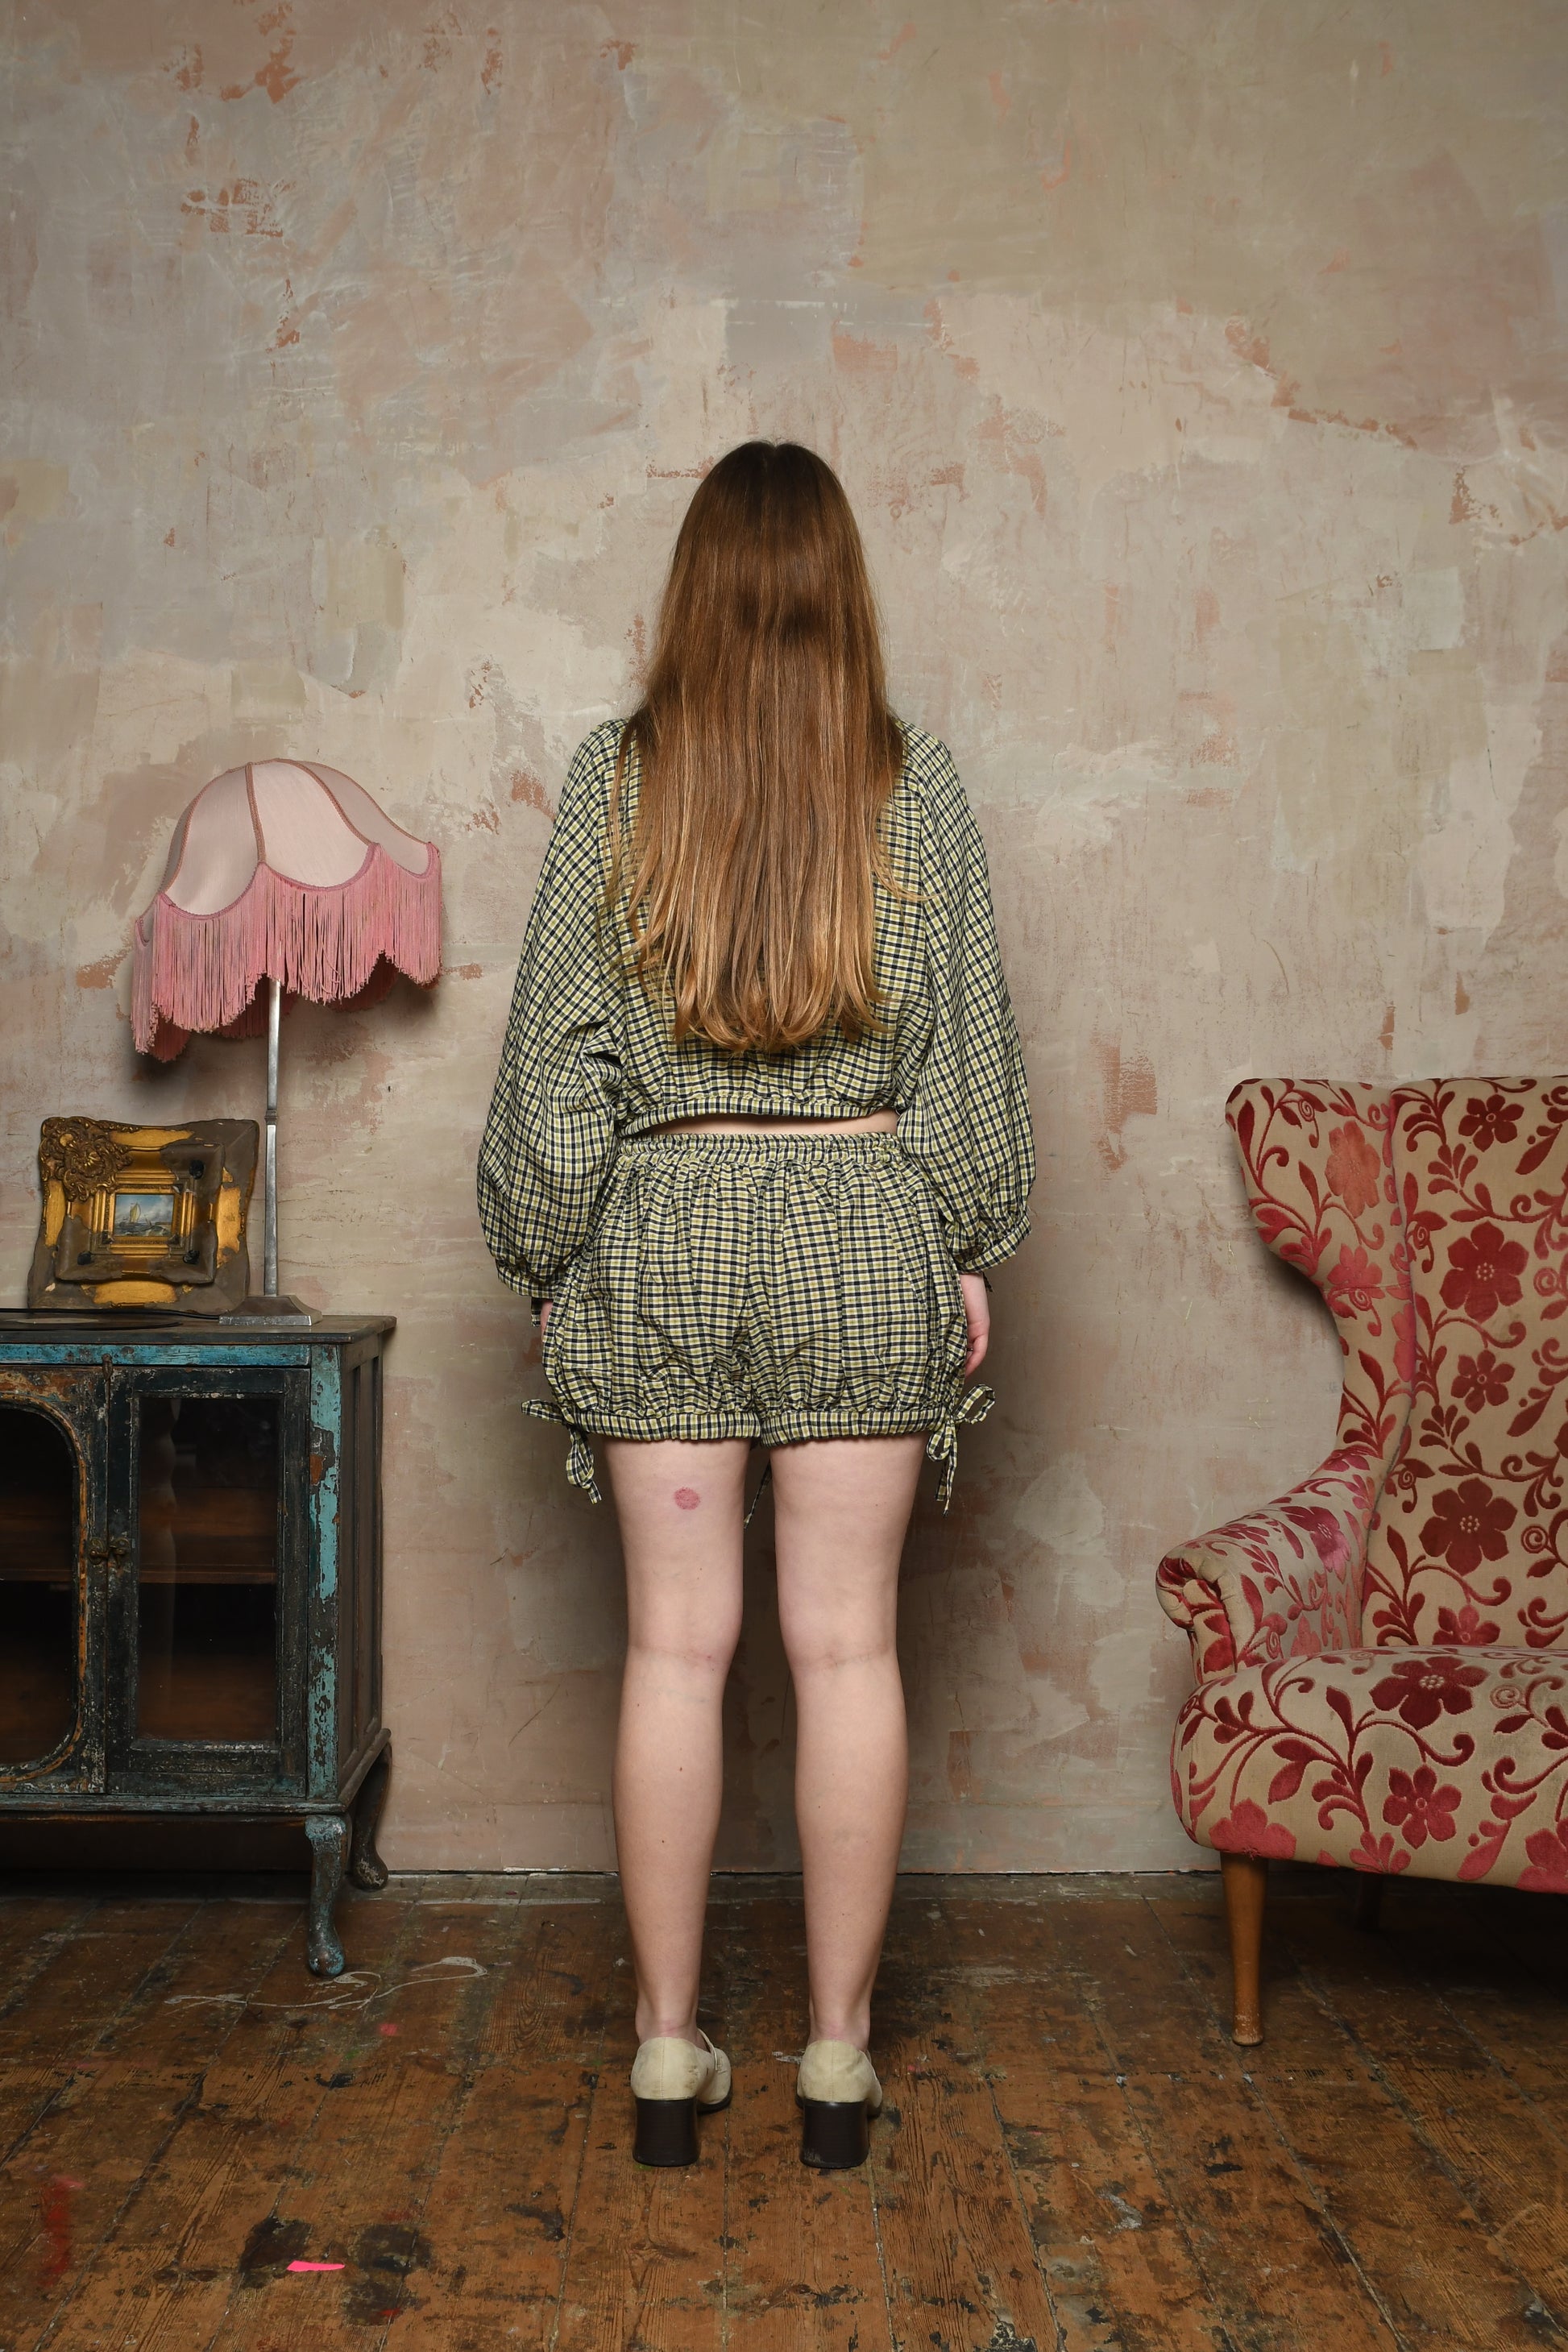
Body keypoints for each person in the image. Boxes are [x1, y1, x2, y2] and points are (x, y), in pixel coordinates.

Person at [479, 440, 1033, 2171]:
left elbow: (555, 1061)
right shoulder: (914, 783)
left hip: (658, 1228)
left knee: (673, 1651)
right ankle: (837, 2059)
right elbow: (967, 1056)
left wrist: (550, 1254)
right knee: (847, 1650)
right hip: (863, 1225)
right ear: (843, 588)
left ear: (691, 591)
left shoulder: (614, 779)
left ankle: (667, 2048)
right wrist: (960, 1239)